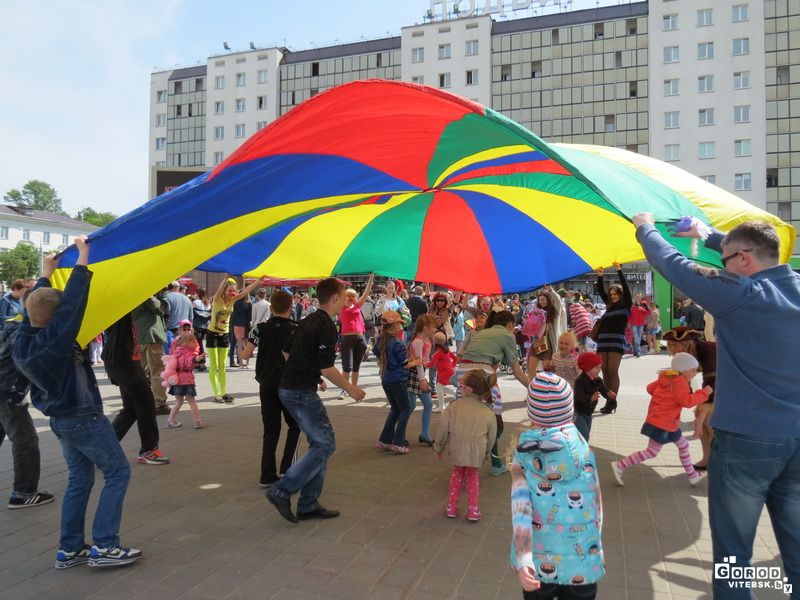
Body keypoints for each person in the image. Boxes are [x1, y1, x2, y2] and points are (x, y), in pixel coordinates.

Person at [634, 214, 800, 597]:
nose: (723, 269)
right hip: (796, 441)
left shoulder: (743, 293)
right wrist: (708, 236)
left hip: (746, 442)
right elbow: (755, 248)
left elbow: (673, 265)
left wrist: (646, 227)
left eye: (726, 261)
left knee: (733, 556)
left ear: (743, 259)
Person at [13, 240, 141, 568]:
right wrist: (83, 258)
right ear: (57, 320)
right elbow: (72, 304)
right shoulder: (54, 341)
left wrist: (46, 274)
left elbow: (36, 308)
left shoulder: (25, 338)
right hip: (82, 417)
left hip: (60, 420)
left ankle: (70, 549)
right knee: (118, 471)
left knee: (80, 479)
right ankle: (105, 546)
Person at [265, 278, 366, 523]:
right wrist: (351, 388)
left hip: (292, 387)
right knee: (325, 444)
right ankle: (282, 490)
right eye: (344, 298)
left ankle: (308, 504)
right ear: (335, 298)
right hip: (299, 391)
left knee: (319, 444)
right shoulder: (326, 325)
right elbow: (328, 367)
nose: (346, 303)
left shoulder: (308, 319)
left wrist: (308, 372)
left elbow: (287, 351)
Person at [510, 371, 604, 599]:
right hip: (583, 564)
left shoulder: (524, 457)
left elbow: (521, 512)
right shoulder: (584, 450)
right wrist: (595, 545)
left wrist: (523, 560)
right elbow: (597, 505)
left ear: (531, 412)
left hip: (539, 564)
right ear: (570, 410)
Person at [611, 352, 711, 487]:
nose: (694, 374)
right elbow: (687, 402)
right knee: (652, 452)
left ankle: (692, 475)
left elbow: (650, 388)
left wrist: (664, 398)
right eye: (693, 371)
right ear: (683, 370)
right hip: (663, 424)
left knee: (683, 445)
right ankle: (620, 465)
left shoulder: (668, 376)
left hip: (664, 422)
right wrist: (704, 393)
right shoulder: (680, 382)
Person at [458, 310, 530, 476]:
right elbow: (517, 372)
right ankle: (494, 462)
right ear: (510, 324)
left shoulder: (482, 332)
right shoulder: (507, 335)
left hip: (462, 374)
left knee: (469, 418)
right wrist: (535, 390)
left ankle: (476, 458)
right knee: (496, 422)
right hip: (482, 374)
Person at [241, 290, 301, 488]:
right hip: (288, 384)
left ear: (271, 308)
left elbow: (245, 355)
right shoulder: (296, 328)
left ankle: (267, 475)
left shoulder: (260, 329)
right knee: (295, 425)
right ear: (291, 307)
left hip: (266, 383)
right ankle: (287, 468)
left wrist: (240, 344)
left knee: (271, 429)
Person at [0, 289, 53, 509]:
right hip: (8, 393)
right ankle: (23, 493)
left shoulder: (16, 325)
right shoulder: (26, 334)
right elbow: (28, 367)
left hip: (4, 391)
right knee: (25, 440)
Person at [103, 313, 170, 465]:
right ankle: (148, 450)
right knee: (146, 406)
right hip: (125, 364)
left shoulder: (124, 313)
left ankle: (103, 449)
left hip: (125, 363)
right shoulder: (119, 312)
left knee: (131, 410)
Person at [434, 369, 497, 522]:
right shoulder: (488, 411)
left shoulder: (453, 406)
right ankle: (473, 509)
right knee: (472, 477)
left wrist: (439, 447)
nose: (459, 387)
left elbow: (443, 429)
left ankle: (452, 507)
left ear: (468, 389)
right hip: (477, 450)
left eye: (460, 385)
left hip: (457, 448)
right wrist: (486, 452)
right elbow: (492, 436)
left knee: (457, 475)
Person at [661, 326, 717, 470]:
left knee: (710, 423)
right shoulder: (688, 355)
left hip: (728, 385)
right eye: (670, 345)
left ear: (686, 343)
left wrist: (702, 412)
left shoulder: (708, 350)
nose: (672, 349)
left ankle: (716, 463)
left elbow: (712, 382)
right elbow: (684, 380)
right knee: (702, 420)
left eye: (675, 345)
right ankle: (707, 459)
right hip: (715, 386)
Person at [206, 276, 261, 403]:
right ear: (224, 290)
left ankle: (223, 392)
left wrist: (258, 281)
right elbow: (219, 290)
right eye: (230, 290)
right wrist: (226, 277)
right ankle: (216, 394)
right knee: (214, 365)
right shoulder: (217, 299)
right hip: (212, 334)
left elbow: (246, 291)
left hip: (224, 334)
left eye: (234, 291)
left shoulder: (233, 300)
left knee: (222, 365)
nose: (232, 293)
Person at [374, 310, 421, 454]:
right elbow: (405, 364)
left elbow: (379, 353)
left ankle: (385, 440)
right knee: (405, 409)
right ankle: (398, 442)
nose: (401, 327)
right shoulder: (397, 342)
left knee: (395, 409)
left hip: (386, 379)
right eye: (400, 324)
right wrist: (417, 361)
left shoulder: (381, 340)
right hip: (398, 380)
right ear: (394, 326)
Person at [594, 263, 632, 413]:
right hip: (603, 340)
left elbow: (626, 288)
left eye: (615, 294)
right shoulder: (609, 304)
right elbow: (600, 290)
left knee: (612, 370)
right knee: (604, 370)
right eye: (611, 294)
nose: (613, 296)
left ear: (620, 294)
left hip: (616, 341)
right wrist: (600, 276)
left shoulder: (626, 305)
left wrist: (619, 271)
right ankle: (609, 399)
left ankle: (613, 401)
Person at [337, 274, 374, 400]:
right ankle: (344, 390)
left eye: (353, 296)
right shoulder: (341, 307)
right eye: (348, 296)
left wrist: (371, 278)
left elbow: (366, 292)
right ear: (344, 298)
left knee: (356, 367)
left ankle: (354, 390)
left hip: (360, 339)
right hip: (347, 339)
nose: (351, 298)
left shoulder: (358, 305)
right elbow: (337, 294)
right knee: (347, 366)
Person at [131, 295, 169, 415]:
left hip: (140, 335)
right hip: (151, 335)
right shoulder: (145, 293)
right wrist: (163, 296)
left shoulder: (132, 291)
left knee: (140, 371)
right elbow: (160, 309)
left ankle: (138, 401)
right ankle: (159, 403)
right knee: (157, 370)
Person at [164, 324, 205, 430]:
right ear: (185, 343)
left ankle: (170, 421)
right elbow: (189, 361)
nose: (195, 343)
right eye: (193, 341)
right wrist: (197, 359)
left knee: (179, 401)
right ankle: (197, 421)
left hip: (177, 380)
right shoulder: (189, 353)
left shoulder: (177, 352)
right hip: (186, 380)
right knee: (192, 401)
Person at [407, 314, 437, 446]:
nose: (435, 329)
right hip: (415, 375)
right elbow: (418, 362)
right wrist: (422, 379)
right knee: (410, 406)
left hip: (419, 375)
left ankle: (424, 434)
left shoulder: (425, 339)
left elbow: (423, 361)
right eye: (433, 327)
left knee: (426, 405)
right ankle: (399, 433)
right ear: (425, 327)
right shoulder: (418, 341)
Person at [572, 352, 615, 442]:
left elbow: (603, 390)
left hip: (589, 413)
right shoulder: (580, 381)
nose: (599, 370)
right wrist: (590, 398)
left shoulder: (597, 380)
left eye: (600, 367)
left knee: (585, 434)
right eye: (597, 367)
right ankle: (582, 449)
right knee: (584, 435)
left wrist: (608, 394)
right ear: (587, 368)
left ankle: (581, 447)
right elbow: (578, 396)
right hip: (578, 413)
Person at [526, 286, 561, 375]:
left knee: (547, 369)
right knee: (530, 367)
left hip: (549, 342)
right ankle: (532, 384)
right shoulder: (537, 311)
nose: (541, 301)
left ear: (548, 300)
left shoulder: (554, 311)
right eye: (540, 300)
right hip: (537, 341)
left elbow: (558, 301)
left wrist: (550, 290)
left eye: (543, 299)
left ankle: (548, 383)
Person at [426, 331, 458, 413]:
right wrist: (452, 366)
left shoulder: (438, 352)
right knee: (444, 388)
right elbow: (455, 359)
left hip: (444, 374)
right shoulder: (446, 350)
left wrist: (423, 364)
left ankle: (442, 407)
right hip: (451, 372)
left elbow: (431, 364)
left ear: (434, 342)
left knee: (439, 389)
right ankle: (444, 405)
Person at [628, 292, 650, 358]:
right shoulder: (632, 304)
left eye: (640, 297)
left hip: (641, 324)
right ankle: (638, 351)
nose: (638, 298)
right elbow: (629, 314)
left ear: (641, 297)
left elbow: (648, 313)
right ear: (635, 297)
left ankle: (635, 351)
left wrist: (642, 310)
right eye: (637, 297)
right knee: (636, 338)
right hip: (634, 324)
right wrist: (629, 322)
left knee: (639, 338)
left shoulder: (644, 304)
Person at [191, 287, 211, 362]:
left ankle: (201, 362)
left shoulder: (196, 302)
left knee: (199, 344)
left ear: (197, 293)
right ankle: (202, 362)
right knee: (201, 344)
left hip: (197, 326)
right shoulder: (208, 303)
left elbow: (192, 314)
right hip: (206, 326)